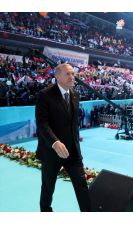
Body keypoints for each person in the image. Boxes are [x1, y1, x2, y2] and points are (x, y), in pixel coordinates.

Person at [35, 63, 91, 212]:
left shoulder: (74, 94)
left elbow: (73, 125)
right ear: (57, 76)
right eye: (68, 74)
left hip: (72, 152)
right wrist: (55, 142)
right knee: (48, 187)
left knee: (82, 187)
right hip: (52, 152)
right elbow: (42, 123)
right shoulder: (45, 95)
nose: (72, 77)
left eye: (73, 73)